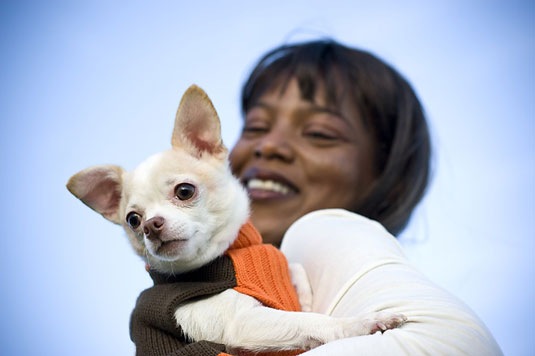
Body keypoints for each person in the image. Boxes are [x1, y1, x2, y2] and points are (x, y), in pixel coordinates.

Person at [131, 39, 503, 355]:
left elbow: (455, 345)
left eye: (320, 133)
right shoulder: (236, 272)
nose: (268, 145)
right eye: (256, 126)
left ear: (391, 179)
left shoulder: (322, 230)